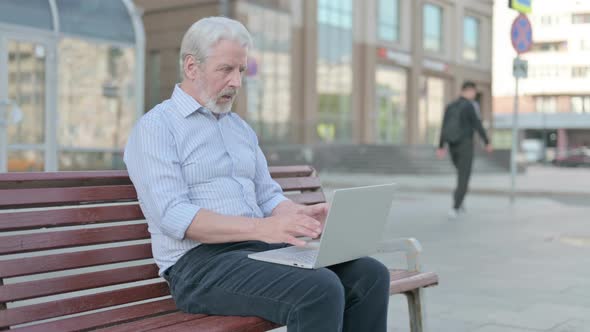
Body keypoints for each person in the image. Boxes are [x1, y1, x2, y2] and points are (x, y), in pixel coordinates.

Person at [124, 17, 390, 331]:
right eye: (226, 69)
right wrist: (263, 228)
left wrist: (299, 216)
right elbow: (173, 215)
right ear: (191, 67)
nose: (237, 81)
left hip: (256, 252)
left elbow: (267, 195)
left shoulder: (239, 128)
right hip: (197, 266)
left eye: (241, 70)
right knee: (319, 289)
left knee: (370, 276)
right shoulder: (157, 127)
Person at [437, 81, 493, 219]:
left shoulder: (450, 106)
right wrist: (486, 142)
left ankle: (459, 199)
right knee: (464, 176)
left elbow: (443, 126)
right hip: (465, 145)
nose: (474, 95)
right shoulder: (469, 106)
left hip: (452, 146)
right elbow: (477, 124)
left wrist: (441, 146)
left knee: (460, 174)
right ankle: (455, 207)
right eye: (473, 92)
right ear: (470, 91)